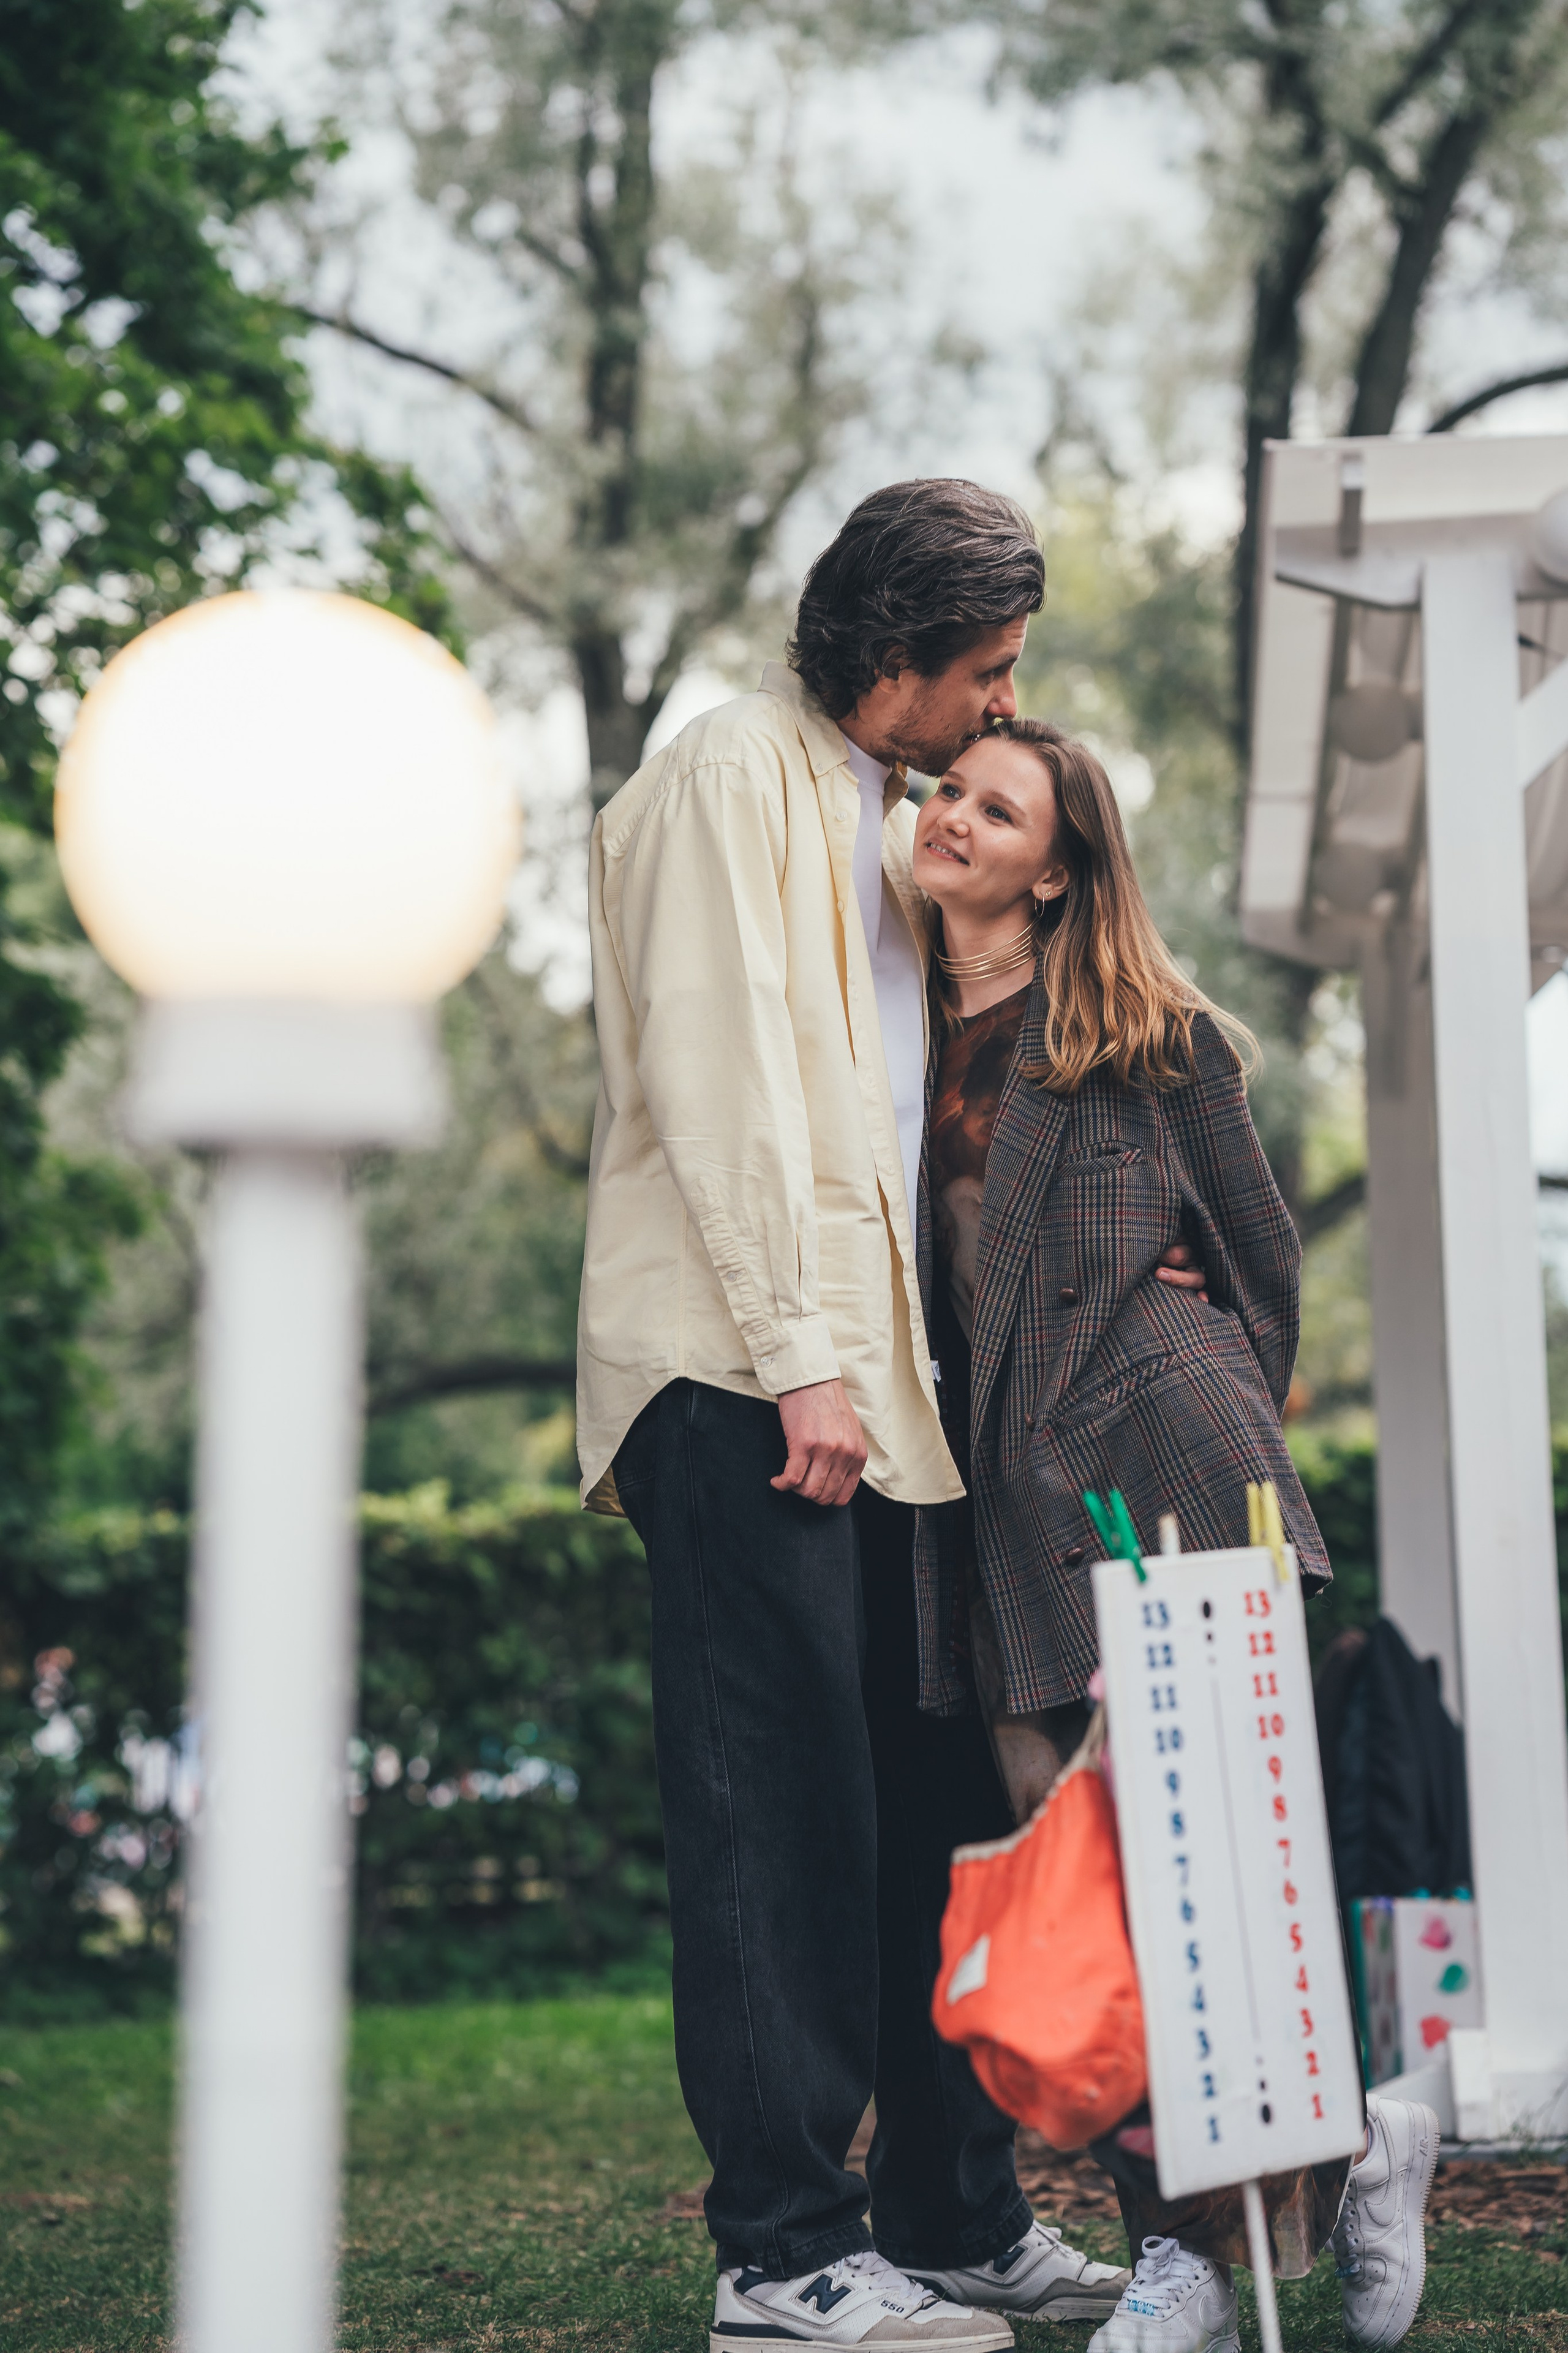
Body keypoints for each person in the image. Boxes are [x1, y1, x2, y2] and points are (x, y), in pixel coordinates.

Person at [578, 482, 1205, 2353]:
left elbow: (967, 1089)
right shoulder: (722, 780)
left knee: (929, 1809)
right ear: (896, 654)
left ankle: (945, 2213)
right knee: (774, 1807)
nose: (1002, 707)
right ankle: (781, 2249)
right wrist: (800, 1356)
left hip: (890, 1392)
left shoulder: (895, 824)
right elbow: (724, 1084)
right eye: (988, 673)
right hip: (749, 1373)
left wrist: (1141, 1257)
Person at [905, 716, 1439, 2353]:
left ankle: (1197, 2256)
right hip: (1008, 1519)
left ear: (1058, 864)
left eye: (998, 808)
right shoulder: (882, 1028)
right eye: (949, 791)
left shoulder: (1149, 1035)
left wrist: (1178, 1376)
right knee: (1088, 1893)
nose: (956, 818)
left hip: (1172, 1480)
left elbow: (1261, 1260)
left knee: (1224, 1866)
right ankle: (1350, 2146)